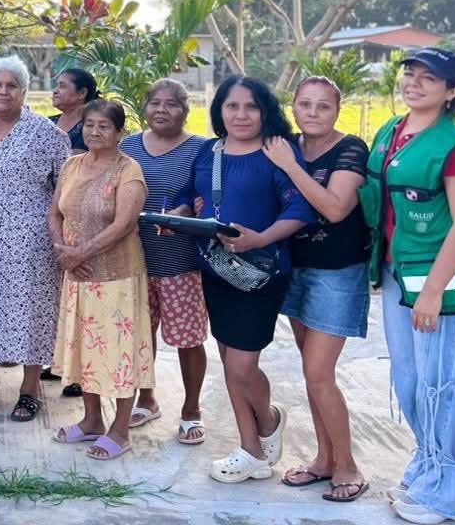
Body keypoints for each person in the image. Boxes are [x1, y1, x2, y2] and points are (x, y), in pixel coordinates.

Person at [361, 49, 455, 525]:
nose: (414, 84)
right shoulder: (391, 131)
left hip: (445, 282)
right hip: (399, 272)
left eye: (429, 78)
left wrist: (434, 291)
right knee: (410, 377)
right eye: (410, 74)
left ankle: (453, 490)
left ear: (452, 90)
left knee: (446, 383)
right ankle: (430, 462)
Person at [185, 75, 316, 484]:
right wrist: (179, 216)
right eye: (232, 106)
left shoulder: (277, 151)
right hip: (216, 270)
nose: (241, 115)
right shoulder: (209, 151)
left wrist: (260, 238)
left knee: (242, 366)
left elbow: (300, 211)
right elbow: (191, 196)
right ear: (219, 111)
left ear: (265, 111)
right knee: (230, 362)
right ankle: (251, 448)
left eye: (251, 106)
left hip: (260, 273)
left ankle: (268, 419)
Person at [262, 76, 370, 503]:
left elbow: (335, 208)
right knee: (312, 373)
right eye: (305, 104)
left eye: (323, 106)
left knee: (319, 373)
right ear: (293, 106)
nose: (312, 112)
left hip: (336, 273)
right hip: (296, 269)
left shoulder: (350, 148)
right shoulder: (286, 144)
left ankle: (349, 466)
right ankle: (325, 459)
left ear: (337, 111)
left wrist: (290, 166)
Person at [0, 56, 71, 421]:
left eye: (12, 85)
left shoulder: (47, 133)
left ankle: (29, 390)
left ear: (24, 90)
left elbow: (64, 189)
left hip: (30, 240)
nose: (3, 91)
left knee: (31, 309)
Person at [50, 99, 153, 460]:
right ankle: (92, 419)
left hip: (116, 278)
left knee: (119, 353)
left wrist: (81, 253)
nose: (95, 132)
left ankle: (120, 431)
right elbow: (55, 213)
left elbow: (124, 224)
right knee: (85, 351)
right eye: (90, 124)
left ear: (119, 133)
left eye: (104, 126)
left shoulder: (129, 170)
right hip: (77, 275)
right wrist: (64, 252)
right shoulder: (72, 165)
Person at [121, 78, 209, 445]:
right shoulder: (127, 145)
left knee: (188, 339)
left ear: (185, 111)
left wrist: (184, 213)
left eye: (171, 103)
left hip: (181, 263)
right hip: (134, 262)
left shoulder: (202, 149)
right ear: (145, 108)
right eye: (155, 102)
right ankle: (147, 399)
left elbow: (204, 197)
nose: (161, 109)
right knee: (142, 336)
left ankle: (191, 410)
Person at [49, 67, 99, 152]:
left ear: (82, 93)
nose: (55, 91)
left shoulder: (92, 127)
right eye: (56, 86)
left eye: (62, 86)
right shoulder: (48, 122)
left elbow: (76, 158)